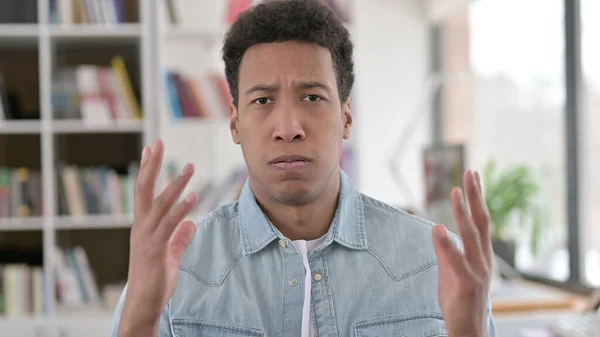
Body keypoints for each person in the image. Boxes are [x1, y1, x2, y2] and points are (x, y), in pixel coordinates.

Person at [110, 0, 497, 336]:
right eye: (262, 101)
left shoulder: (436, 262)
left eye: (312, 96)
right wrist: (139, 323)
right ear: (235, 123)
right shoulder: (174, 269)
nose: (289, 129)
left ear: (347, 117)